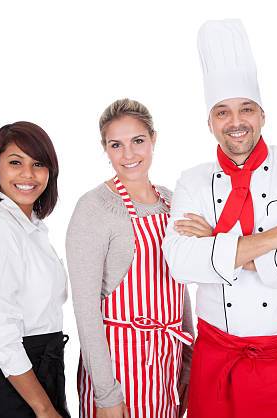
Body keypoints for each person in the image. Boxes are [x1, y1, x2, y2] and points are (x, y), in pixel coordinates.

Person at [162, 19, 277, 418]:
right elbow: (179, 261)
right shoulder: (192, 180)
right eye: (222, 112)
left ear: (262, 115)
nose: (235, 121)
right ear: (210, 122)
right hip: (217, 360)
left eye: (246, 109)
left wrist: (219, 243)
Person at [66, 98, 194, 418]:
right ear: (105, 149)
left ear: (153, 139)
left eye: (138, 141)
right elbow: (85, 311)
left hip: (167, 367)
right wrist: (106, 395)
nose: (129, 155)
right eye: (116, 145)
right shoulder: (94, 208)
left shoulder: (171, 201)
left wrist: (188, 363)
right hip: (119, 374)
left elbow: (180, 283)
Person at [0, 121, 70, 418]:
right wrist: (44, 408)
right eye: (15, 163)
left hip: (39, 375)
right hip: (10, 383)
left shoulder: (32, 229)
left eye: (38, 164)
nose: (28, 175)